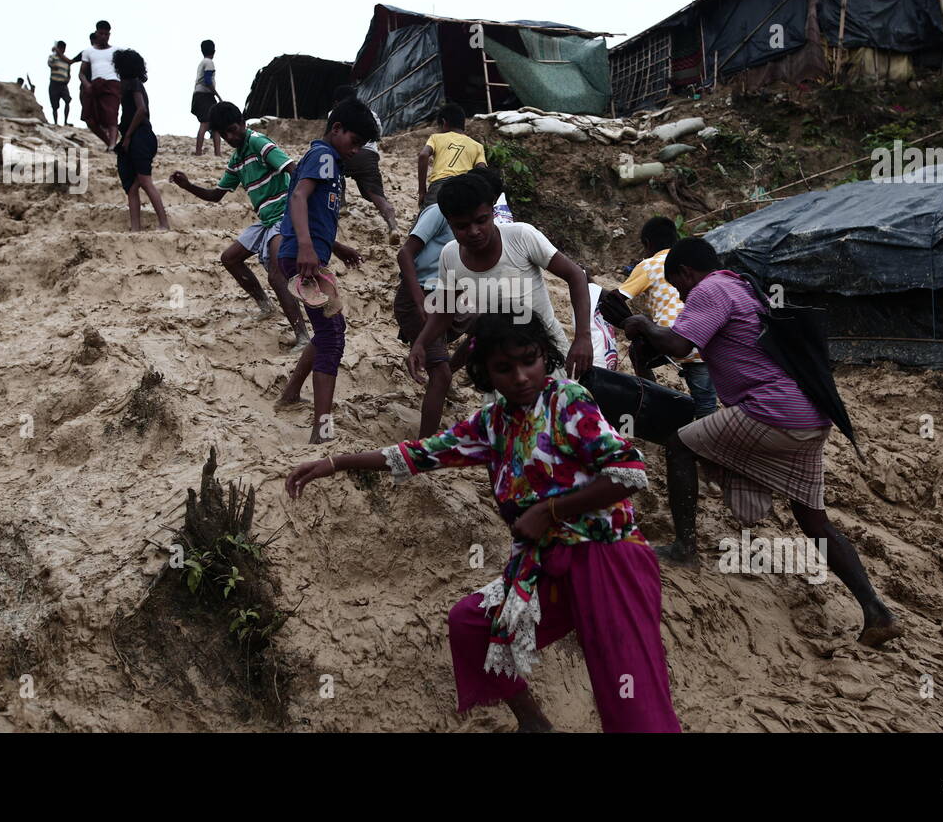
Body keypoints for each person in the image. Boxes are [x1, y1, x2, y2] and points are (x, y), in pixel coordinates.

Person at [286, 312, 681, 733]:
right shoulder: (492, 424)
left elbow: (628, 473)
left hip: (609, 559)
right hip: (544, 566)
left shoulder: (567, 399)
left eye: (528, 361)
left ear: (544, 356)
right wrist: (335, 462)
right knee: (473, 624)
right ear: (485, 374)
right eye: (503, 368)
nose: (521, 376)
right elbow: (420, 454)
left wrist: (548, 512)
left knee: (631, 697)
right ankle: (533, 723)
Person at [623, 236, 901, 647]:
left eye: (680, 289)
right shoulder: (740, 285)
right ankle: (875, 610)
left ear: (685, 273)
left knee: (681, 444)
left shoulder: (709, 288)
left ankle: (684, 547)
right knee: (813, 520)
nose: (683, 297)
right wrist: (649, 344)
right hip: (808, 416)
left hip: (772, 412)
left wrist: (644, 325)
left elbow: (682, 345)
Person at [407, 167, 595, 386]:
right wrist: (421, 343)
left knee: (555, 413)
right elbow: (445, 310)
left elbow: (576, 275)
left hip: (544, 352)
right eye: (462, 226)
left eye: (481, 220)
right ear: (449, 224)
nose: (474, 231)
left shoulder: (521, 237)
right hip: (499, 361)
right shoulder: (449, 255)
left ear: (492, 212)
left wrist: (583, 336)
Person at [273, 98, 378, 443]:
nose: (356, 149)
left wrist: (335, 246)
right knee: (332, 338)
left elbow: (316, 215)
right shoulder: (324, 156)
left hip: (310, 256)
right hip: (302, 257)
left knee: (328, 329)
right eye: (355, 140)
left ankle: (290, 394)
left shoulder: (330, 160)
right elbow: (299, 199)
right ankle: (321, 431)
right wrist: (305, 246)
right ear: (337, 129)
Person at [169, 101, 310, 347]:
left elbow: (293, 168)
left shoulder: (258, 142)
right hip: (267, 221)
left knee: (277, 277)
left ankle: (302, 336)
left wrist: (304, 208)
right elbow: (216, 196)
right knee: (230, 258)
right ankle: (265, 305)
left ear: (243, 123)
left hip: (284, 216)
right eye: (226, 134)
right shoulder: (236, 159)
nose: (232, 137)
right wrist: (187, 185)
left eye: (234, 130)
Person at [601, 216, 717, 416]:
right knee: (705, 405)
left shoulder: (649, 265)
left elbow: (616, 298)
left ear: (647, 243)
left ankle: (652, 397)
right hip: (700, 338)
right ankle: (706, 431)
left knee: (638, 353)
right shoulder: (693, 264)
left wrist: (628, 323)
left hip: (666, 338)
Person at [394, 190, 462, 437]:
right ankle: (424, 449)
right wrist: (419, 300)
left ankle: (442, 365)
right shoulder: (438, 213)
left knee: (488, 327)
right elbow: (404, 253)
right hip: (422, 294)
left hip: (449, 297)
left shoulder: (474, 225)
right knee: (440, 375)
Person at [329, 85, 398, 239]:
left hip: (347, 153)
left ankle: (342, 205)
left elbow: (332, 138)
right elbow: (377, 135)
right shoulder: (371, 114)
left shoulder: (336, 113)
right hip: (369, 157)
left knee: (336, 170)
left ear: (336, 102)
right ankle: (393, 226)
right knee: (376, 194)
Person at [112, 49, 168, 231]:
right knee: (131, 185)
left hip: (140, 135)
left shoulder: (133, 84)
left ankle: (163, 224)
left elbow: (141, 110)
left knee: (144, 180)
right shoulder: (128, 84)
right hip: (136, 136)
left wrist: (127, 137)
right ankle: (135, 228)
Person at [417, 102, 486, 208]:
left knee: (425, 220)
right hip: (464, 188)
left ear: (444, 123)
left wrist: (422, 191)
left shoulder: (436, 138)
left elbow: (423, 155)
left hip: (440, 187)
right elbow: (482, 171)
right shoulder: (477, 146)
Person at [79, 20, 120, 148]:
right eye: (101, 33)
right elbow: (81, 73)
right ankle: (108, 142)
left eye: (106, 34)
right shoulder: (88, 52)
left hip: (112, 84)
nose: (103, 36)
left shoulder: (116, 51)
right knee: (89, 118)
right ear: (96, 33)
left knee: (112, 115)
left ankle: (112, 145)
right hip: (94, 85)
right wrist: (87, 85)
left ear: (109, 35)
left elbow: (123, 69)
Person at [192, 40, 222, 156]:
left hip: (200, 95)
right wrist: (217, 95)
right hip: (205, 95)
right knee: (205, 123)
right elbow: (208, 80)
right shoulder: (209, 63)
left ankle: (217, 153)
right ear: (214, 51)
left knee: (214, 123)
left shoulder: (202, 62)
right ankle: (199, 152)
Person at [47, 40, 81, 125]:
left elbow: (69, 72)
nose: (63, 50)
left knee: (67, 100)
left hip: (63, 84)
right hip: (54, 82)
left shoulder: (66, 60)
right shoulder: (53, 57)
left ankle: (65, 121)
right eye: (61, 48)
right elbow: (50, 64)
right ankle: (55, 123)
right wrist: (55, 54)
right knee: (55, 105)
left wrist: (68, 79)